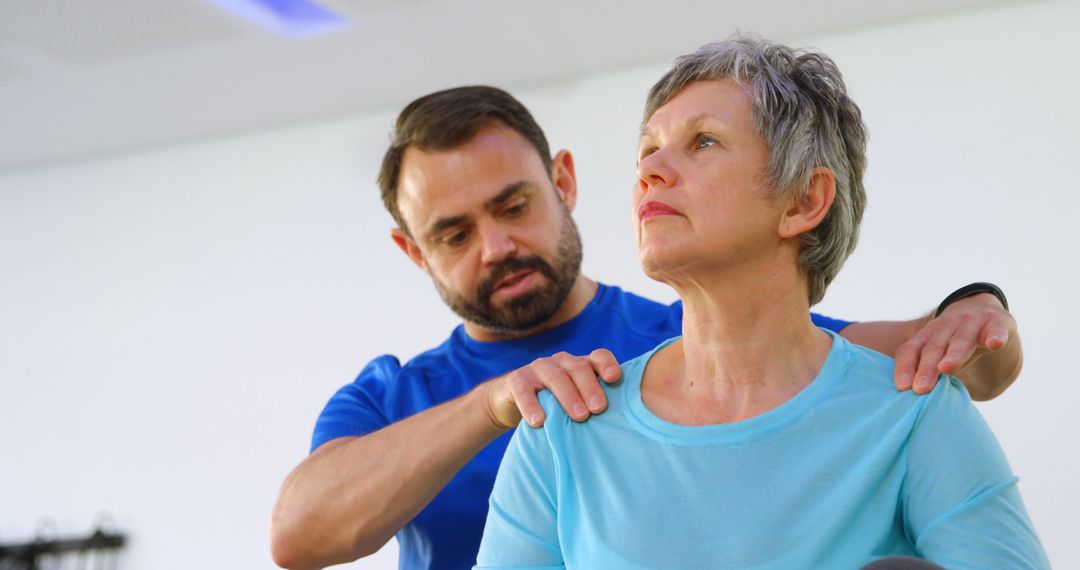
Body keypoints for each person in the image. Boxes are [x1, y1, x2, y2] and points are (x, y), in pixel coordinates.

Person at [269, 83, 1023, 570]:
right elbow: (298, 536)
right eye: (454, 234)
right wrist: (496, 404)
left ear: (562, 182)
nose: (497, 248)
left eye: (513, 207)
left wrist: (978, 308)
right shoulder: (392, 397)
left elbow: (926, 361)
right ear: (411, 250)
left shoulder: (682, 334)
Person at [474, 36, 1047, 569]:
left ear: (803, 200)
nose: (649, 171)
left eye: (703, 142)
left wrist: (981, 304)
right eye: (647, 149)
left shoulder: (915, 416)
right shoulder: (563, 429)